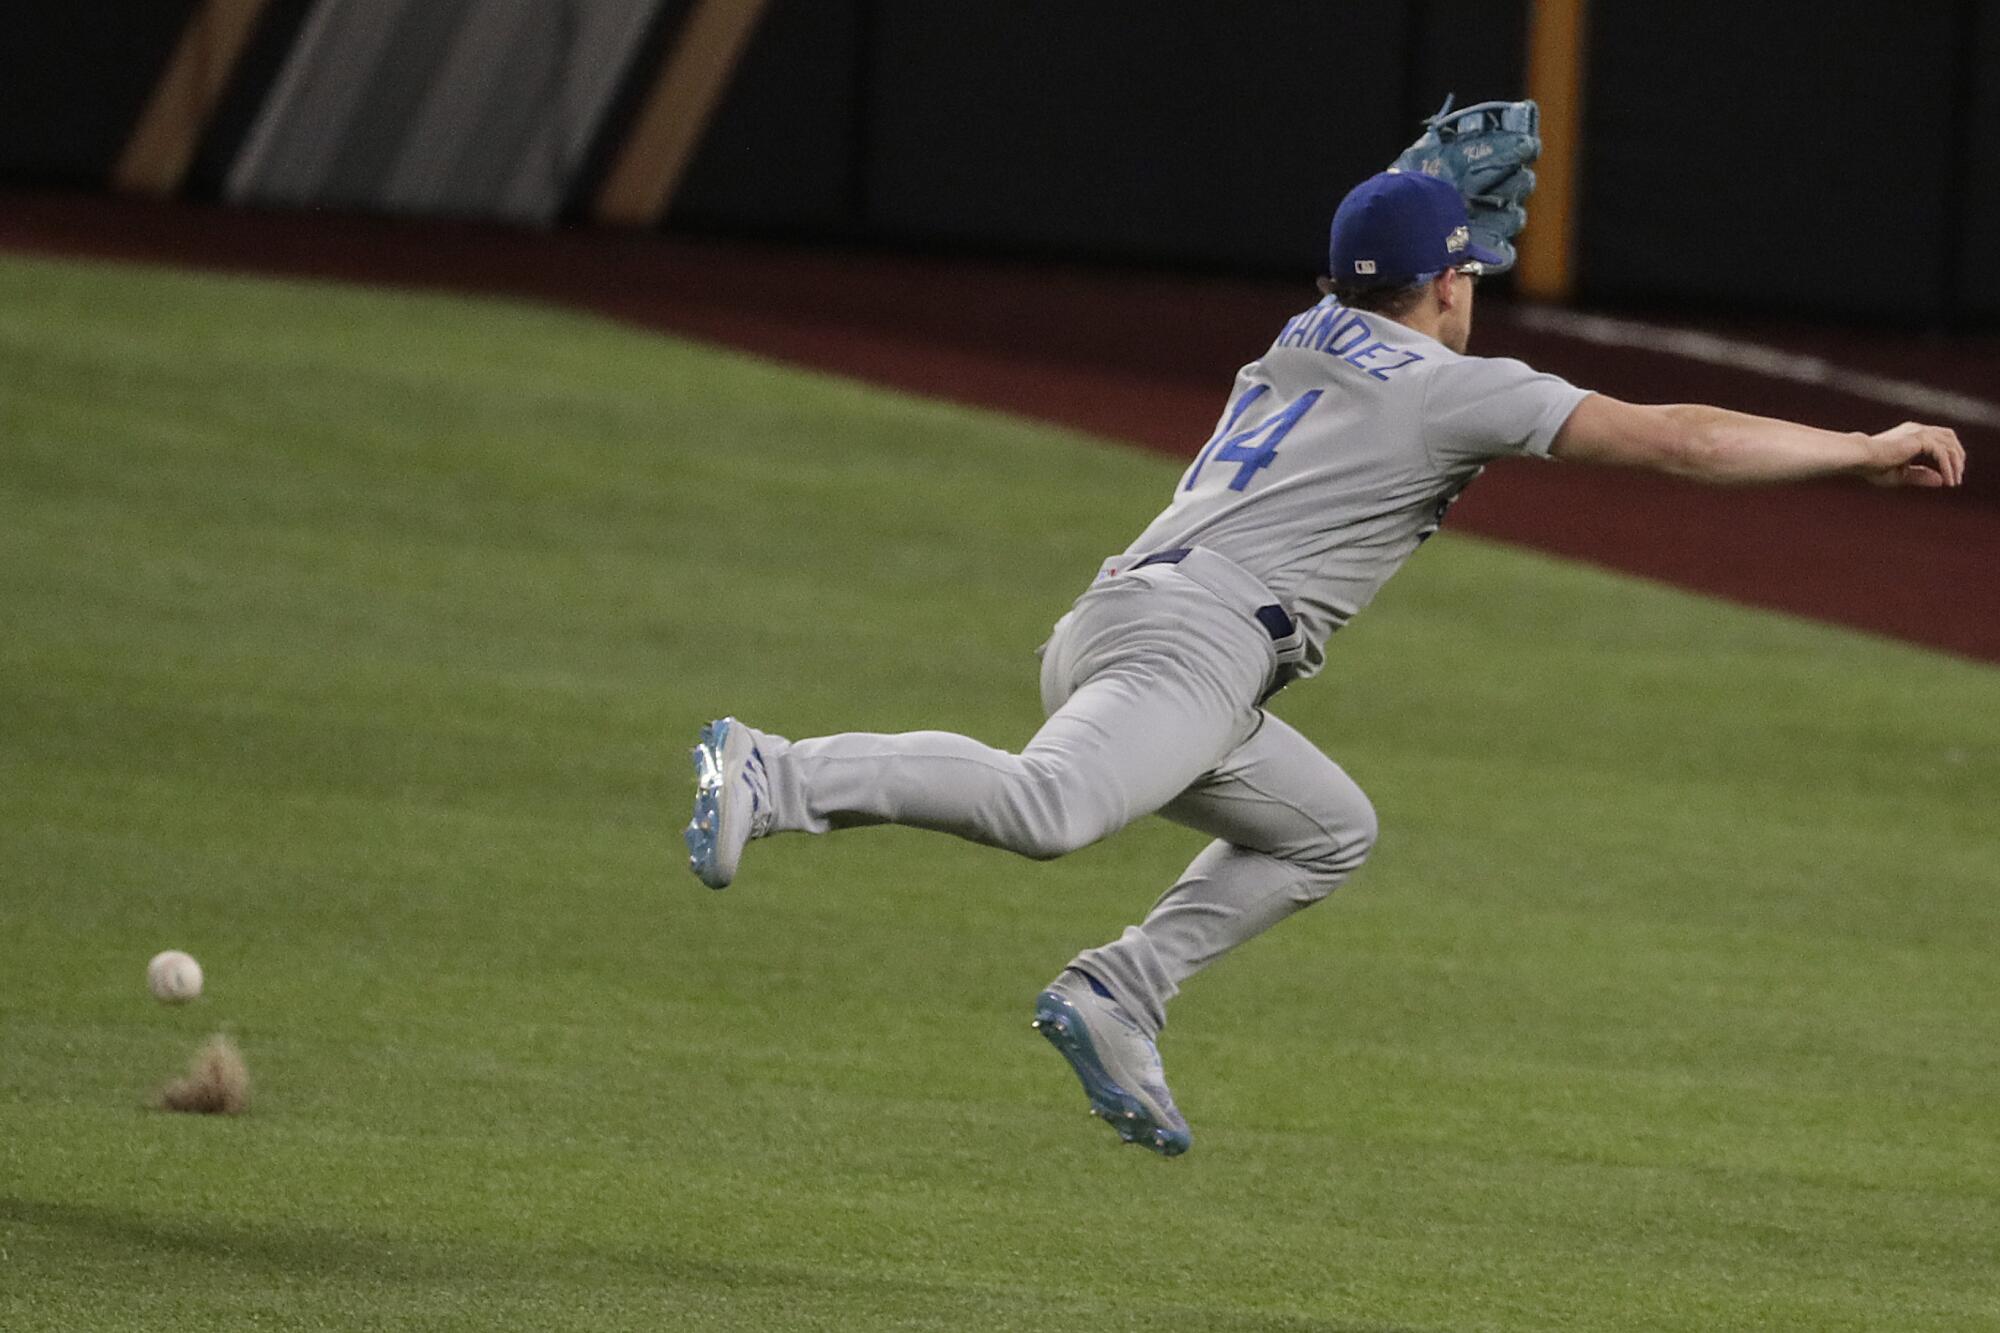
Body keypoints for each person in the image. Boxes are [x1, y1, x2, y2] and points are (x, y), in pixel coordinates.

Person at [681, 169, 1966, 1157]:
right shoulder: (1450, 385)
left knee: (1322, 832)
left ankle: (1121, 988)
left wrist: (1407, 193)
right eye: (1468, 272)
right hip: (1191, 641)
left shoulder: (1303, 328)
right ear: (1452, 286)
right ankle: (774, 770)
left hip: (1143, 628)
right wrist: (1857, 449)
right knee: (1047, 808)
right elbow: (1676, 437)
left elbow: (1379, 254)